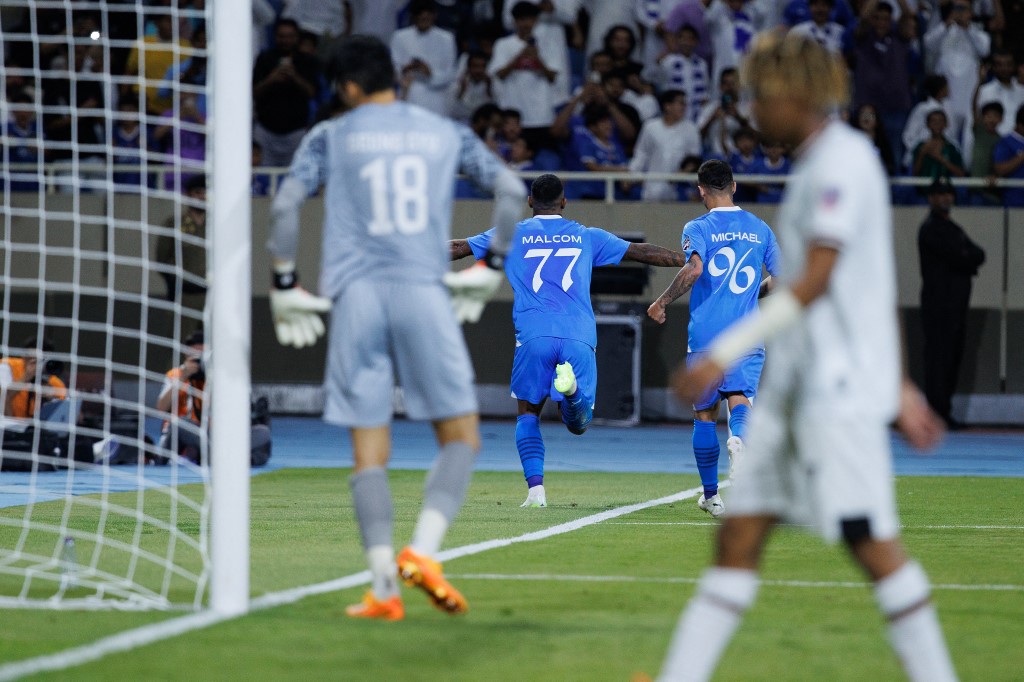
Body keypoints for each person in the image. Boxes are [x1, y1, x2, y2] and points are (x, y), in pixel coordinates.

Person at [656, 33, 957, 682]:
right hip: (794, 389)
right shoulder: (813, 169)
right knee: (736, 538)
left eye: (760, 95)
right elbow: (866, 286)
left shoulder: (841, 164)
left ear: (794, 95)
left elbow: (818, 280)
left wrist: (722, 352)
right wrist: (902, 385)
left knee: (873, 547)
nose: (751, 109)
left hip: (834, 396)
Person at [266, 35, 524, 621]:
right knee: (461, 437)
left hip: (356, 298)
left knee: (368, 452)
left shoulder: (331, 135)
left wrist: (284, 284)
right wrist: (493, 266)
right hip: (423, 293)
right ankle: (424, 553)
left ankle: (383, 588)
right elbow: (511, 190)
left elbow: (283, 208)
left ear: (349, 87)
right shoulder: (444, 132)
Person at [449, 174, 691, 508]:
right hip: (578, 335)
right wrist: (685, 260)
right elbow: (640, 252)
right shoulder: (585, 236)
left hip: (533, 336)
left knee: (527, 414)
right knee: (578, 424)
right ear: (564, 202)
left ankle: (536, 492)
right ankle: (572, 392)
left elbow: (459, 248)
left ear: (530, 202)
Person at [647, 159, 779, 518]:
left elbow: (694, 269)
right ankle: (740, 441)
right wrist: (754, 294)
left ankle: (711, 497)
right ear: (734, 186)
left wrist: (662, 301)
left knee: (704, 413)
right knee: (740, 400)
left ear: (701, 190)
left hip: (706, 335)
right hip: (747, 334)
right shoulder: (761, 228)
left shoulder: (698, 227)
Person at [918, 178, 985, 429]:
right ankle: (936, 413)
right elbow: (963, 255)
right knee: (939, 359)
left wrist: (967, 257)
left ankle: (943, 410)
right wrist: (967, 257)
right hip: (939, 305)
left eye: (949, 193)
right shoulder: (931, 229)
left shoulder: (952, 228)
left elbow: (977, 254)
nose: (946, 198)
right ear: (931, 198)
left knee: (951, 358)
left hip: (955, 306)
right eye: (940, 194)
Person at [155, 329, 272, 467]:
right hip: (186, 434)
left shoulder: (221, 377)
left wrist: (216, 379)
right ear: (186, 354)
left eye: (202, 357)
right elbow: (161, 409)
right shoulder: (175, 375)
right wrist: (183, 377)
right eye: (194, 357)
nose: (198, 362)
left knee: (262, 432)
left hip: (214, 436)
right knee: (180, 425)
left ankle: (238, 459)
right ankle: (228, 458)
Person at [628, 90, 702, 202]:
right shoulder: (650, 127)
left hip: (680, 190)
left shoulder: (691, 129)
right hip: (652, 188)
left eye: (684, 104)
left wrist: (680, 175)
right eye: (680, 103)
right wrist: (631, 175)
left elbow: (694, 159)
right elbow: (641, 155)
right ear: (667, 106)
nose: (684, 107)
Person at [0, 337, 72, 423]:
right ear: (23, 357)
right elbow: (4, 398)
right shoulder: (7, 366)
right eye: (33, 360)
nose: (38, 366)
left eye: (42, 361)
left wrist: (52, 399)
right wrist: (26, 377)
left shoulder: (55, 383)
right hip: (10, 428)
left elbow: (66, 416)